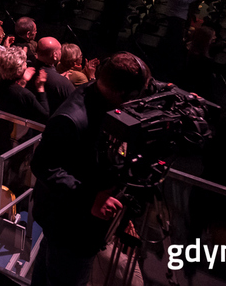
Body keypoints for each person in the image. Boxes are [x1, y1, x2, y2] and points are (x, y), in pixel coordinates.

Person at [30, 53, 151, 286]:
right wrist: (90, 199)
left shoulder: (101, 92)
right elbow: (43, 165)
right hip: (71, 223)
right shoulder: (72, 118)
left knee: (47, 273)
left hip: (69, 218)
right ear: (124, 94)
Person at [0, 45, 49, 124]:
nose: (26, 65)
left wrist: (23, 80)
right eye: (24, 63)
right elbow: (45, 115)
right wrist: (40, 87)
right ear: (19, 70)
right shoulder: (25, 94)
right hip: (20, 133)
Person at [33, 37, 76, 115]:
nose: (61, 52)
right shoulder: (63, 83)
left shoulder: (26, 70)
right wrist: (62, 81)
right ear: (55, 55)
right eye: (60, 50)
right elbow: (75, 105)